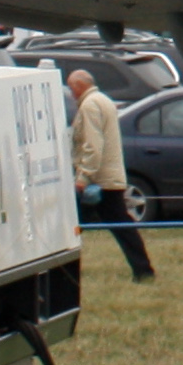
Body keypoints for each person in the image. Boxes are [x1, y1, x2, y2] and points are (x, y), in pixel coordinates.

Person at [65, 65, 155, 280]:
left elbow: (93, 145)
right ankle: (143, 269)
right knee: (121, 226)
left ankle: (143, 270)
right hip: (109, 177)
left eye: (71, 88)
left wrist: (83, 177)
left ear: (79, 86)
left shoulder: (89, 106)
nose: (71, 93)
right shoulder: (103, 100)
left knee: (78, 227)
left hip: (100, 180)